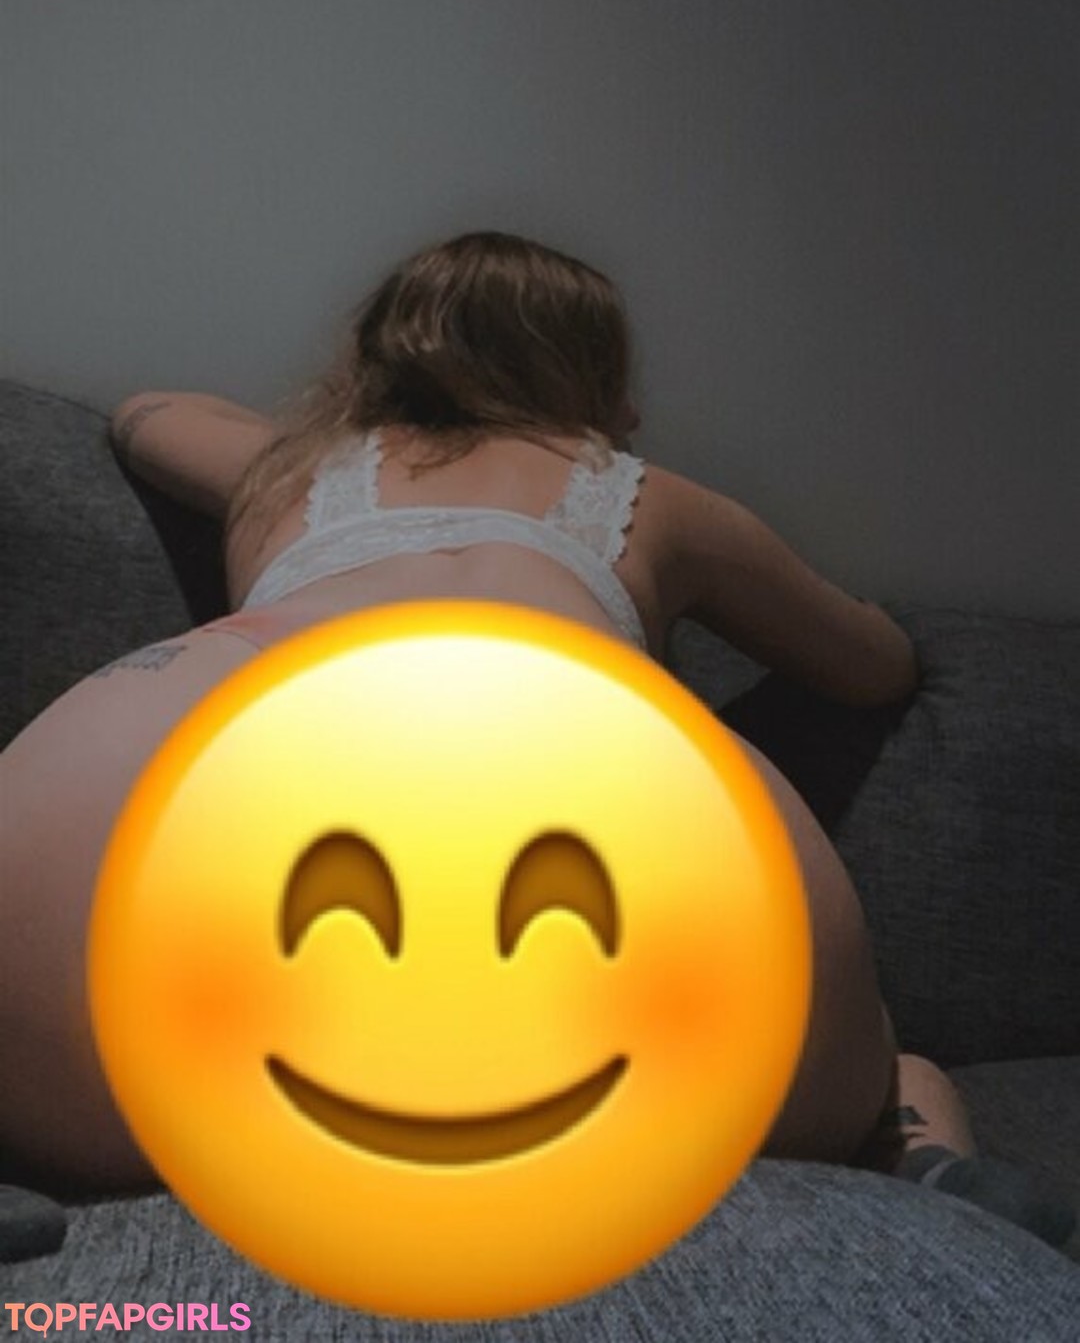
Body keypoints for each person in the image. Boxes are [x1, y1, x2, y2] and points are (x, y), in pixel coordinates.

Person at [0, 230, 1073, 1251]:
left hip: (192, 736)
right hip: (593, 759)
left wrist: (333, 423)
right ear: (594, 381)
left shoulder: (292, 469)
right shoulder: (646, 498)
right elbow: (877, 664)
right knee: (892, 1067)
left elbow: (145, 415)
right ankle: (923, 1159)